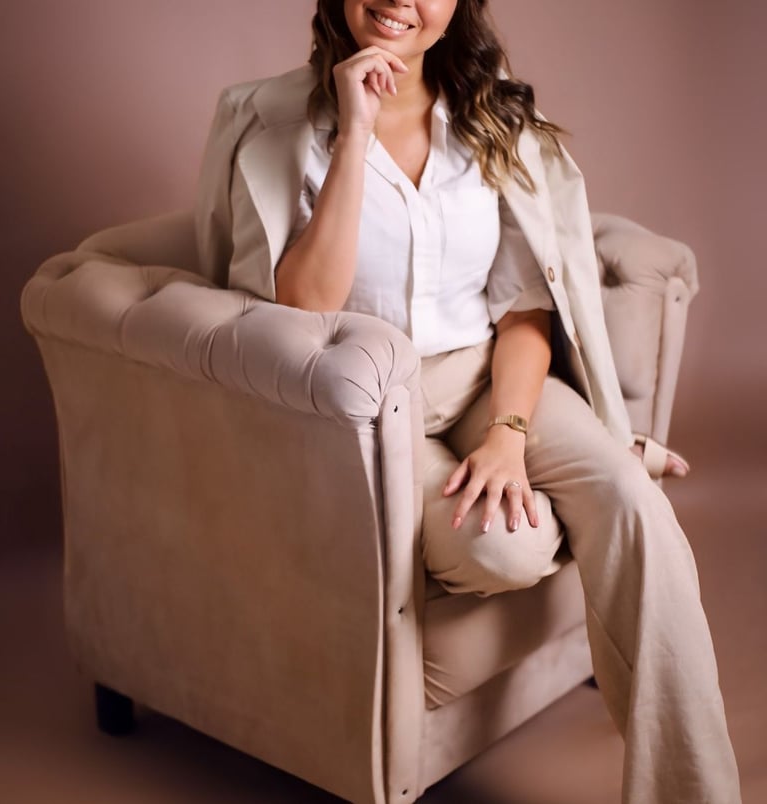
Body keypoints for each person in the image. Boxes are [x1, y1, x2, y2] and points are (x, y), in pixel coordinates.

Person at [195, 1, 741, 801]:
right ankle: (612, 451)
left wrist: (509, 435)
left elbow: (522, 311)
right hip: (369, 411)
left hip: (489, 378)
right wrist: (355, 132)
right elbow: (305, 309)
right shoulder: (282, 130)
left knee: (631, 503)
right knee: (503, 546)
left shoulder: (489, 120)